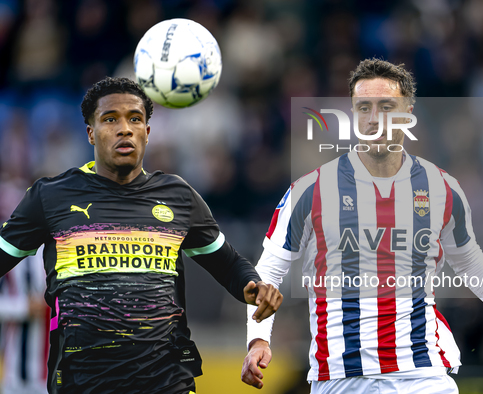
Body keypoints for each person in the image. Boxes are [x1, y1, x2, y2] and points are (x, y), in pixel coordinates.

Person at [241, 59, 483, 393]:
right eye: (364, 108)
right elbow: (268, 271)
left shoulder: (441, 188)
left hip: (422, 374)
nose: (374, 119)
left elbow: (471, 263)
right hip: (341, 377)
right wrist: (257, 340)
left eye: (386, 107)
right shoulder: (310, 190)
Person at [0, 76, 283, 394]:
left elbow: (229, 265)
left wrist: (254, 286)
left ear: (147, 132)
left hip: (166, 381)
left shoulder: (179, 196)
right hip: (83, 383)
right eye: (110, 119)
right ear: (91, 133)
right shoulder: (50, 197)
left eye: (135, 119)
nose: (125, 128)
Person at [0, 249, 49, 394]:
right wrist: (23, 307)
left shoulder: (56, 245)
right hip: (13, 371)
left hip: (48, 371)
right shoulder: (5, 247)